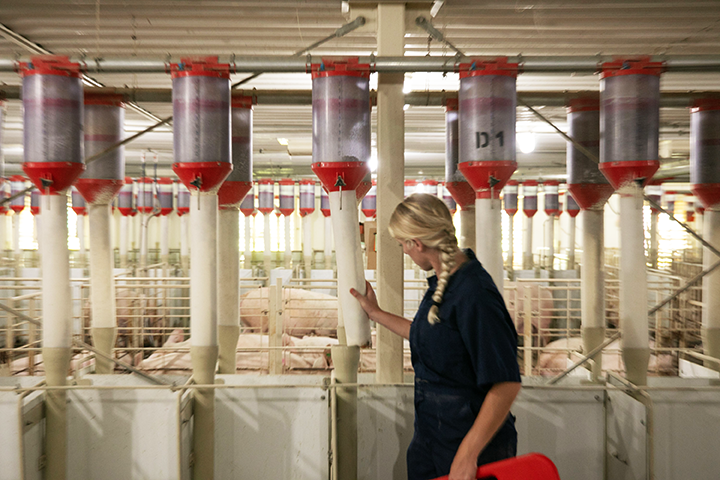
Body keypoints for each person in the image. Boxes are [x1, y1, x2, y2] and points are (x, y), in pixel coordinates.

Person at [350, 193, 521, 480]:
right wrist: (375, 313)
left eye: (403, 244)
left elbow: (506, 384)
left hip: (469, 444)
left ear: (417, 243)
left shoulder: (474, 294)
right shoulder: (444, 283)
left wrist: (468, 455)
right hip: (433, 434)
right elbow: (429, 338)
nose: (404, 251)